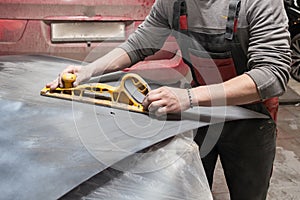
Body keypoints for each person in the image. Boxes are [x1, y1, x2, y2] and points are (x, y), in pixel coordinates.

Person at [47, 0, 291, 199]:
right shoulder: (173, 2)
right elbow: (140, 43)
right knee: (188, 189)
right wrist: (90, 71)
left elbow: (272, 74)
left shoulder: (260, 2)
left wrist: (188, 97)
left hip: (251, 115)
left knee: (250, 194)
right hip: (202, 115)